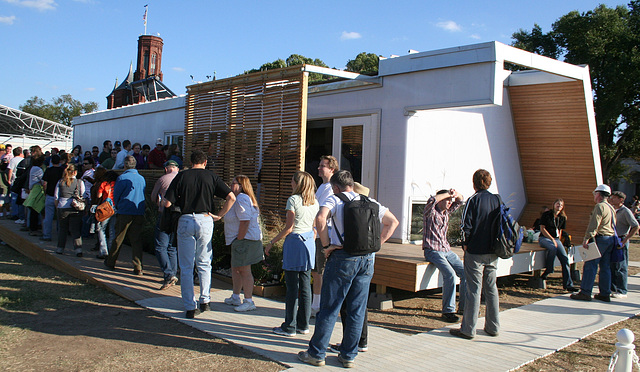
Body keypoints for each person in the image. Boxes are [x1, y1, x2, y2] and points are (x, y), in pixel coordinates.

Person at [298, 170, 398, 368]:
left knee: (330, 307)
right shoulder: (370, 201)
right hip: (367, 259)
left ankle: (316, 353)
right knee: (357, 309)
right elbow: (392, 222)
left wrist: (327, 246)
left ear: (335, 187)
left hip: (343, 258)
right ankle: (348, 356)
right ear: (352, 184)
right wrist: (377, 244)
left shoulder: (335, 200)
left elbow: (320, 219)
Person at [163, 150, 236, 319]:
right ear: (205, 162)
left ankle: (190, 306)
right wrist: (220, 215)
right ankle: (205, 300)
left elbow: (167, 203)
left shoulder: (181, 176)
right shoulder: (211, 176)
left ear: (191, 162)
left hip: (186, 219)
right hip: (205, 218)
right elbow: (231, 197)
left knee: (187, 266)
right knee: (204, 262)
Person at [450, 169, 501, 340]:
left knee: (474, 289)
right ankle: (493, 327)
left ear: (474, 183)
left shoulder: (473, 200)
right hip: (493, 250)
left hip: (475, 251)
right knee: (491, 288)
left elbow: (465, 226)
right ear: (489, 182)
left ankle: (468, 329)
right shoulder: (497, 199)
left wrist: (465, 245)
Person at [267, 171, 318, 336]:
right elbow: (314, 226)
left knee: (291, 287)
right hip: (309, 242)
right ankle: (303, 325)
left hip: (295, 242)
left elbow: (289, 228)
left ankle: (289, 325)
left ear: (297, 183)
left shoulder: (293, 200)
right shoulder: (314, 202)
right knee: (305, 286)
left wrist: (272, 242)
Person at [422, 188, 466, 323]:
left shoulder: (446, 212)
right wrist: (447, 194)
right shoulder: (430, 212)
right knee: (450, 275)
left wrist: (455, 194)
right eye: (447, 200)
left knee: (465, 273)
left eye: (450, 200)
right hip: (432, 250)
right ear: (441, 200)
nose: (449, 202)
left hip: (446, 250)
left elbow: (461, 200)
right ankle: (448, 311)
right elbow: (432, 200)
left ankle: (463, 308)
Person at [571, 184, 617, 302]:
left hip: (601, 239)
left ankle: (585, 292)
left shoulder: (600, 206)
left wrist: (587, 238)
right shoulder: (610, 207)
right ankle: (605, 293)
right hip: (610, 238)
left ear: (598, 194)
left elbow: (594, 224)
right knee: (605, 267)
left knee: (590, 265)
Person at [223, 175, 263, 312]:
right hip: (240, 240)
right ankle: (235, 296)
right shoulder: (240, 198)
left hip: (245, 240)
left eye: (234, 183)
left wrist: (239, 239)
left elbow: (245, 220)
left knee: (245, 270)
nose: (231, 185)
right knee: (236, 268)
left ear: (241, 186)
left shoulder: (242, 198)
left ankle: (248, 300)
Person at [104, 156, 147, 275]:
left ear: (125, 165)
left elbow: (116, 194)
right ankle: (138, 266)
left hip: (124, 211)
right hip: (138, 210)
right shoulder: (141, 178)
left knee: (118, 237)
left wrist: (117, 206)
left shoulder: (122, 178)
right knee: (136, 240)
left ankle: (111, 262)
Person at [311, 155, 338, 315]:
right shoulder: (322, 186)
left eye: (323, 166)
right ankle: (316, 304)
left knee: (320, 270)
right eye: (319, 165)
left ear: (332, 169)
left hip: (324, 234)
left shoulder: (331, 188)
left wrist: (316, 232)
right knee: (316, 270)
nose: (319, 168)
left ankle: (320, 306)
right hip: (316, 234)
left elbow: (323, 214)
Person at [150, 160, 180, 290]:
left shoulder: (163, 179)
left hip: (165, 215)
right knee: (172, 247)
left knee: (160, 246)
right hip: (179, 216)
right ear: (177, 169)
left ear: (167, 169)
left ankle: (169, 274)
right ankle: (173, 274)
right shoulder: (182, 179)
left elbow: (153, 196)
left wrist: (159, 204)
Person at [538, 198, 578, 292]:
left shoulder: (562, 217)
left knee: (564, 259)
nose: (559, 206)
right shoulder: (546, 215)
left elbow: (560, 231)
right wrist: (552, 239)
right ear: (553, 204)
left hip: (556, 239)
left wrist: (559, 240)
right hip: (545, 238)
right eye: (557, 204)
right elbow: (542, 229)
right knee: (552, 248)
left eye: (561, 205)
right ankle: (549, 269)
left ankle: (568, 285)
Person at [608, 191, 639, 299]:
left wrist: (625, 240)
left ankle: (622, 290)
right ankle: (613, 288)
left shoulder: (625, 211)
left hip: (621, 239)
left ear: (621, 200)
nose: (611, 199)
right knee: (612, 265)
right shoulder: (611, 209)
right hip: (612, 239)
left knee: (621, 266)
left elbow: (635, 226)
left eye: (614, 198)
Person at [54, 164, 84, 257]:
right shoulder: (79, 182)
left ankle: (60, 248)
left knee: (63, 229)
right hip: (75, 207)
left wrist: (57, 207)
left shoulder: (60, 182)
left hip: (62, 207)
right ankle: (78, 249)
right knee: (75, 230)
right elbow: (83, 194)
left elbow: (56, 197)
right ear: (75, 172)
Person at [95, 171, 118, 259]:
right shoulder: (117, 184)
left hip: (106, 208)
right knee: (112, 230)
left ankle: (103, 251)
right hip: (115, 208)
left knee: (101, 228)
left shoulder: (104, 184)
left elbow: (99, 195)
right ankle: (111, 250)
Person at [40, 155, 64, 242]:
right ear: (60, 161)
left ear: (51, 161)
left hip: (50, 194)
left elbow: (44, 183)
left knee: (48, 217)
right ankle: (60, 235)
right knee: (60, 217)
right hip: (61, 196)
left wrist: (45, 191)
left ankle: (47, 235)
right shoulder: (62, 171)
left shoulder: (48, 170)